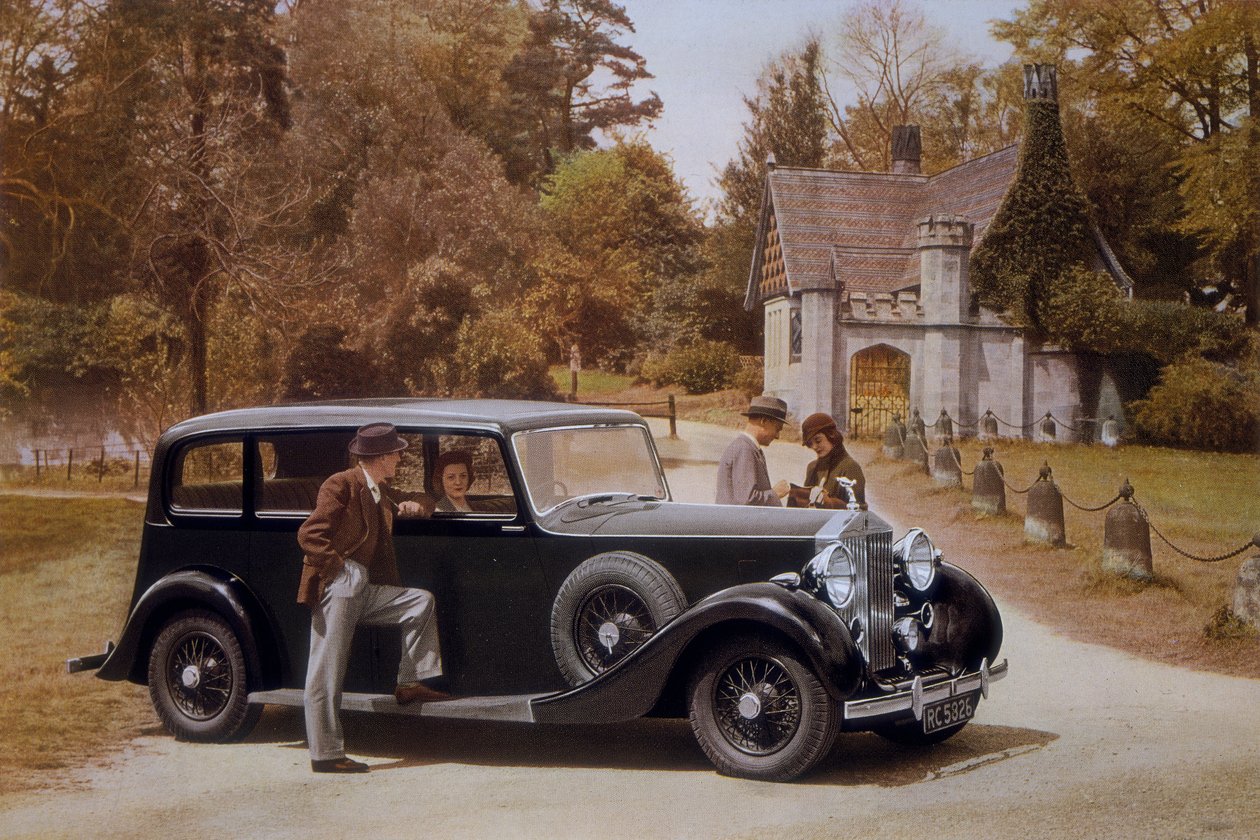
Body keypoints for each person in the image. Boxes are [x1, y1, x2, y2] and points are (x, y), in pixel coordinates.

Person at [295, 422, 446, 774]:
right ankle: (326, 753)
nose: (399, 457)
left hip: (364, 588)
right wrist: (339, 567)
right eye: (395, 453)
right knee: (327, 667)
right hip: (341, 584)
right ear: (379, 457)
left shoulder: (381, 490)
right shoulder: (342, 483)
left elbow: (427, 499)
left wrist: (415, 505)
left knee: (420, 602)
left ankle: (408, 682)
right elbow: (309, 533)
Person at [715, 395, 791, 506]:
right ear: (764, 421)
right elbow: (747, 499)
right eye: (777, 429)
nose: (778, 436)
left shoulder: (746, 447)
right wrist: (775, 493)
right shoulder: (745, 449)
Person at [799, 412, 867, 510]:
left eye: (818, 440)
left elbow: (859, 512)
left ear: (831, 435)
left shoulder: (850, 467)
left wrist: (830, 503)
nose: (814, 447)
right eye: (810, 444)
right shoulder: (812, 468)